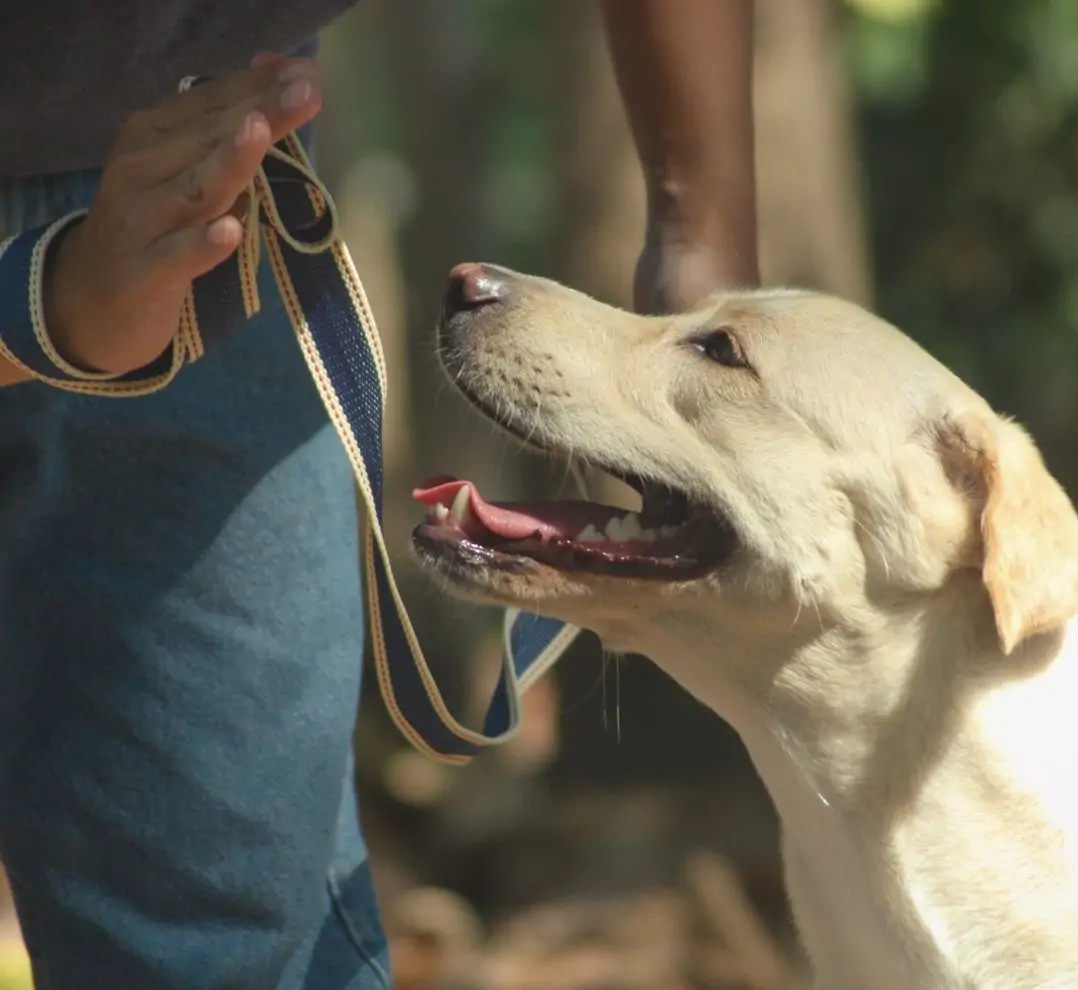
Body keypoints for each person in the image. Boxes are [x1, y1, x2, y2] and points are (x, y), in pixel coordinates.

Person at [0, 3, 759, 987]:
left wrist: (702, 236)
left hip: (209, 188)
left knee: (240, 933)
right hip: (143, 243)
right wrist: (48, 311)